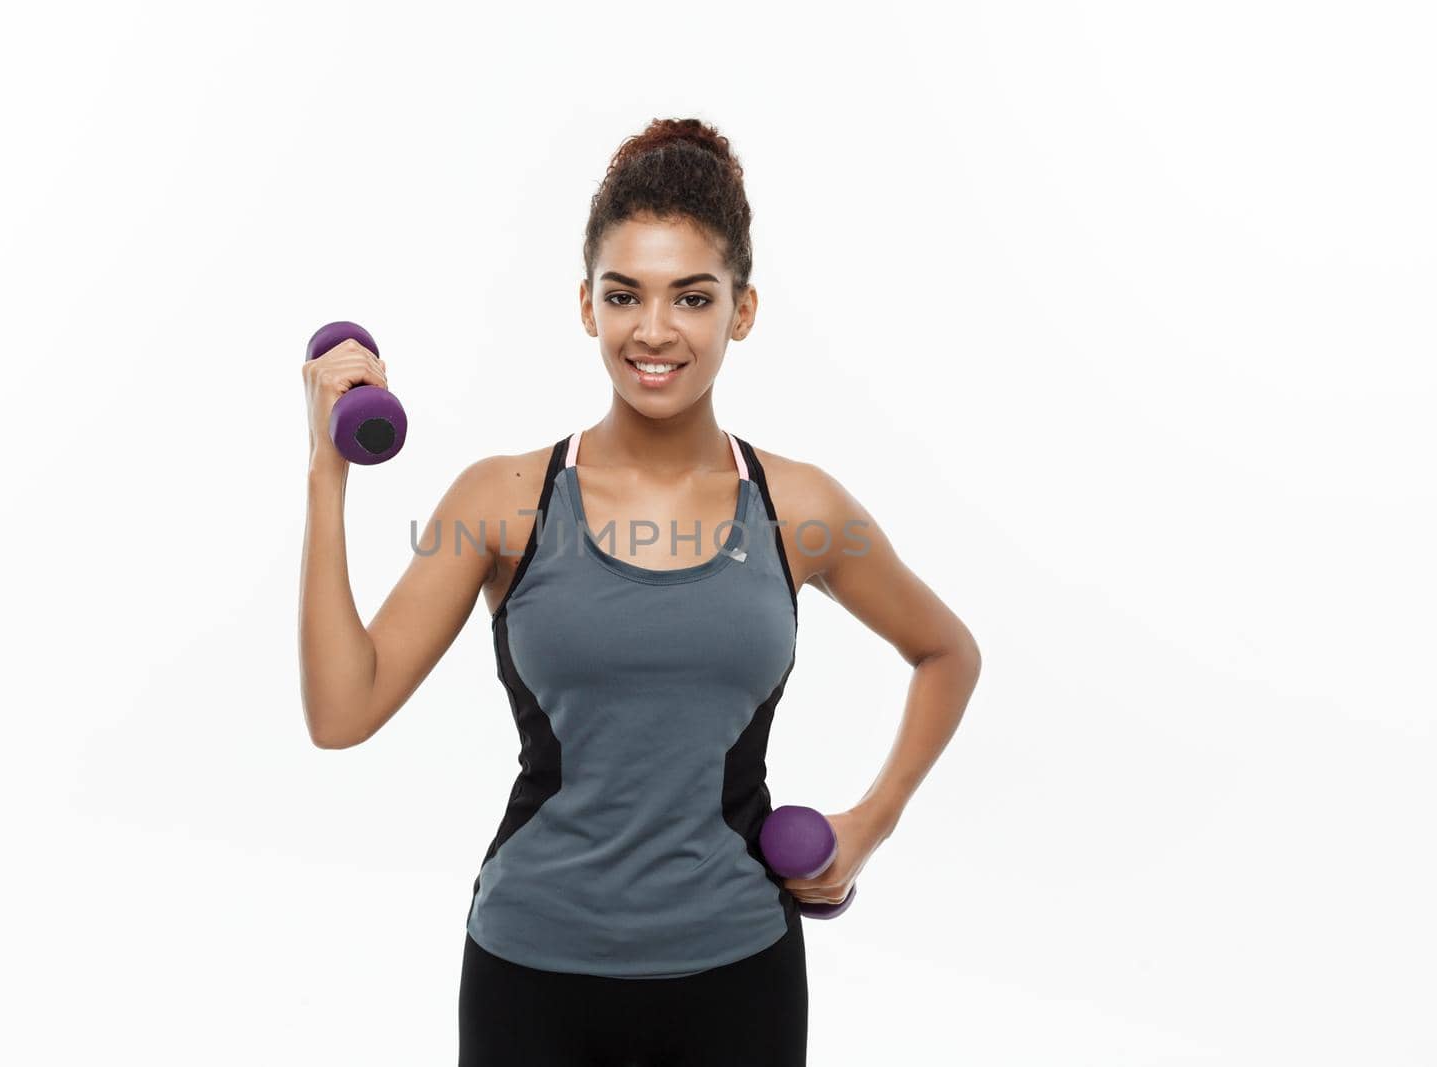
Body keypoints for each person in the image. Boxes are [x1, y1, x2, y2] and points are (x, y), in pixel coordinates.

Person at [298, 116, 982, 1067]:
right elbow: (343, 709)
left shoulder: (801, 508)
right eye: (626, 295)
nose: (654, 330)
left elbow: (947, 653)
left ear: (741, 311)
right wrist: (326, 476)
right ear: (587, 305)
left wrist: (872, 820)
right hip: (530, 973)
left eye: (691, 298)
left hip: (740, 971)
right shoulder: (504, 500)